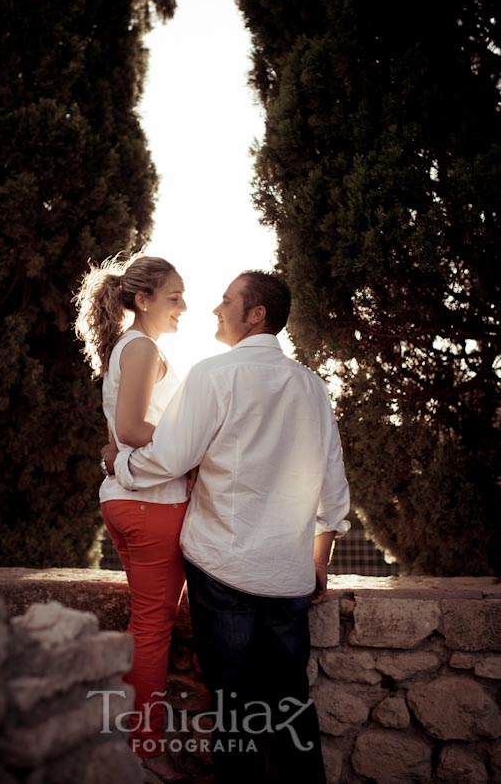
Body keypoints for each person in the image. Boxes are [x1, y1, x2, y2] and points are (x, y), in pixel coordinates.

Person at [108, 270, 350, 784]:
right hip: (288, 576)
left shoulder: (214, 374)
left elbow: (171, 456)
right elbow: (334, 485)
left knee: (234, 711)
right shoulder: (312, 385)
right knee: (290, 706)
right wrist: (319, 560)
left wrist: (120, 465)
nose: (215, 310)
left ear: (256, 314)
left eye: (226, 301)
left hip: (220, 570)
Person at [74, 253, 189, 784]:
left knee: (146, 624)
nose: (183, 307)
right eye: (174, 297)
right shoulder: (141, 345)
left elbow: (117, 436)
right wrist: (199, 448)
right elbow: (131, 428)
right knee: (152, 630)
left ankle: (127, 737)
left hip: (125, 498)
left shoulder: (131, 346)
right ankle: (144, 748)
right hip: (149, 503)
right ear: (143, 301)